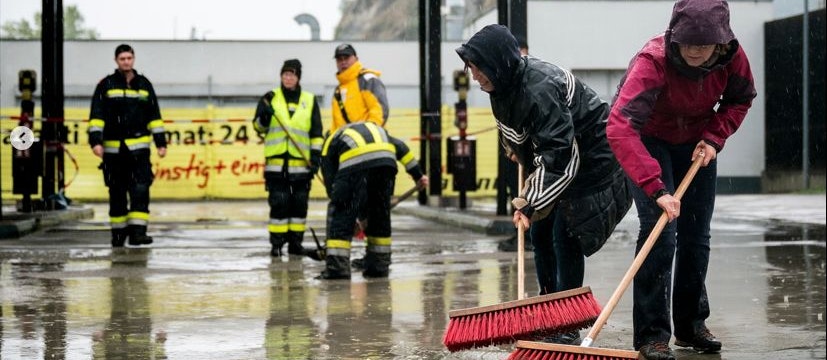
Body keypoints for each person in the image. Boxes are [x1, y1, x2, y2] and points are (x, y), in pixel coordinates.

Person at [456, 24, 632, 344]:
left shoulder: (540, 88)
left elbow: (560, 156)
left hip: (594, 159)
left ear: (497, 62)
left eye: (478, 68)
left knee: (566, 233)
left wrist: (530, 200)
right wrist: (515, 150)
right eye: (471, 68)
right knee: (539, 230)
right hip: (558, 157)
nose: (474, 75)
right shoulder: (501, 85)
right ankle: (547, 310)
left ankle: (567, 321)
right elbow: (515, 131)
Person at [606, 1, 756, 359]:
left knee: (696, 236)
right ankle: (652, 335)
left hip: (697, 143)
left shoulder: (733, 59)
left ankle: (690, 325)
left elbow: (741, 99)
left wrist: (715, 136)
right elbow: (620, 127)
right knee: (660, 234)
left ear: (721, 43)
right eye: (688, 43)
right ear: (675, 35)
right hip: (650, 140)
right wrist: (656, 188)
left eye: (703, 46)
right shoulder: (653, 61)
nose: (694, 51)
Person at [317, 122, 428, 279]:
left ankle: (338, 269)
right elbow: (402, 148)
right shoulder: (371, 131)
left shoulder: (328, 144)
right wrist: (418, 175)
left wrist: (348, 217)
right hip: (385, 164)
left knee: (341, 211)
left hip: (355, 162)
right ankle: (378, 266)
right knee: (379, 215)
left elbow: (333, 189)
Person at [88, 44, 167, 247]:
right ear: (116, 61)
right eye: (122, 58)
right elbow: (96, 116)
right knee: (117, 192)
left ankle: (138, 233)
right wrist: (95, 142)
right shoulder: (106, 85)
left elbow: (154, 116)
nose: (126, 62)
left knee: (140, 190)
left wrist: (161, 143)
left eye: (129, 58)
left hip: (139, 151)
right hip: (114, 151)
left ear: (134, 59)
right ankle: (118, 234)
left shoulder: (144, 84)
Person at [253, 59, 324, 258]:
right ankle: (276, 245)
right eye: (285, 74)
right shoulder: (270, 98)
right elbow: (258, 127)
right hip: (277, 167)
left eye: (292, 74)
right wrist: (264, 117)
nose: (288, 78)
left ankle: (296, 244)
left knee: (299, 207)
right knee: (279, 204)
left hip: (301, 167)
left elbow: (316, 133)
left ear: (298, 77)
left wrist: (316, 158)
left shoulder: (309, 100)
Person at [497, 34, 533, 253]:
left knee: (532, 194)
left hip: (532, 155)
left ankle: (529, 234)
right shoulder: (503, 84)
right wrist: (511, 149)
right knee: (517, 193)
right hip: (515, 153)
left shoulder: (533, 81)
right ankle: (519, 231)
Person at [330, 43, 389, 133]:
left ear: (356, 59)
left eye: (346, 58)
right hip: (345, 143)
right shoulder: (338, 90)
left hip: (369, 142)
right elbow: (336, 123)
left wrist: (367, 134)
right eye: (339, 59)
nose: (343, 62)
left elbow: (379, 112)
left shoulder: (367, 80)